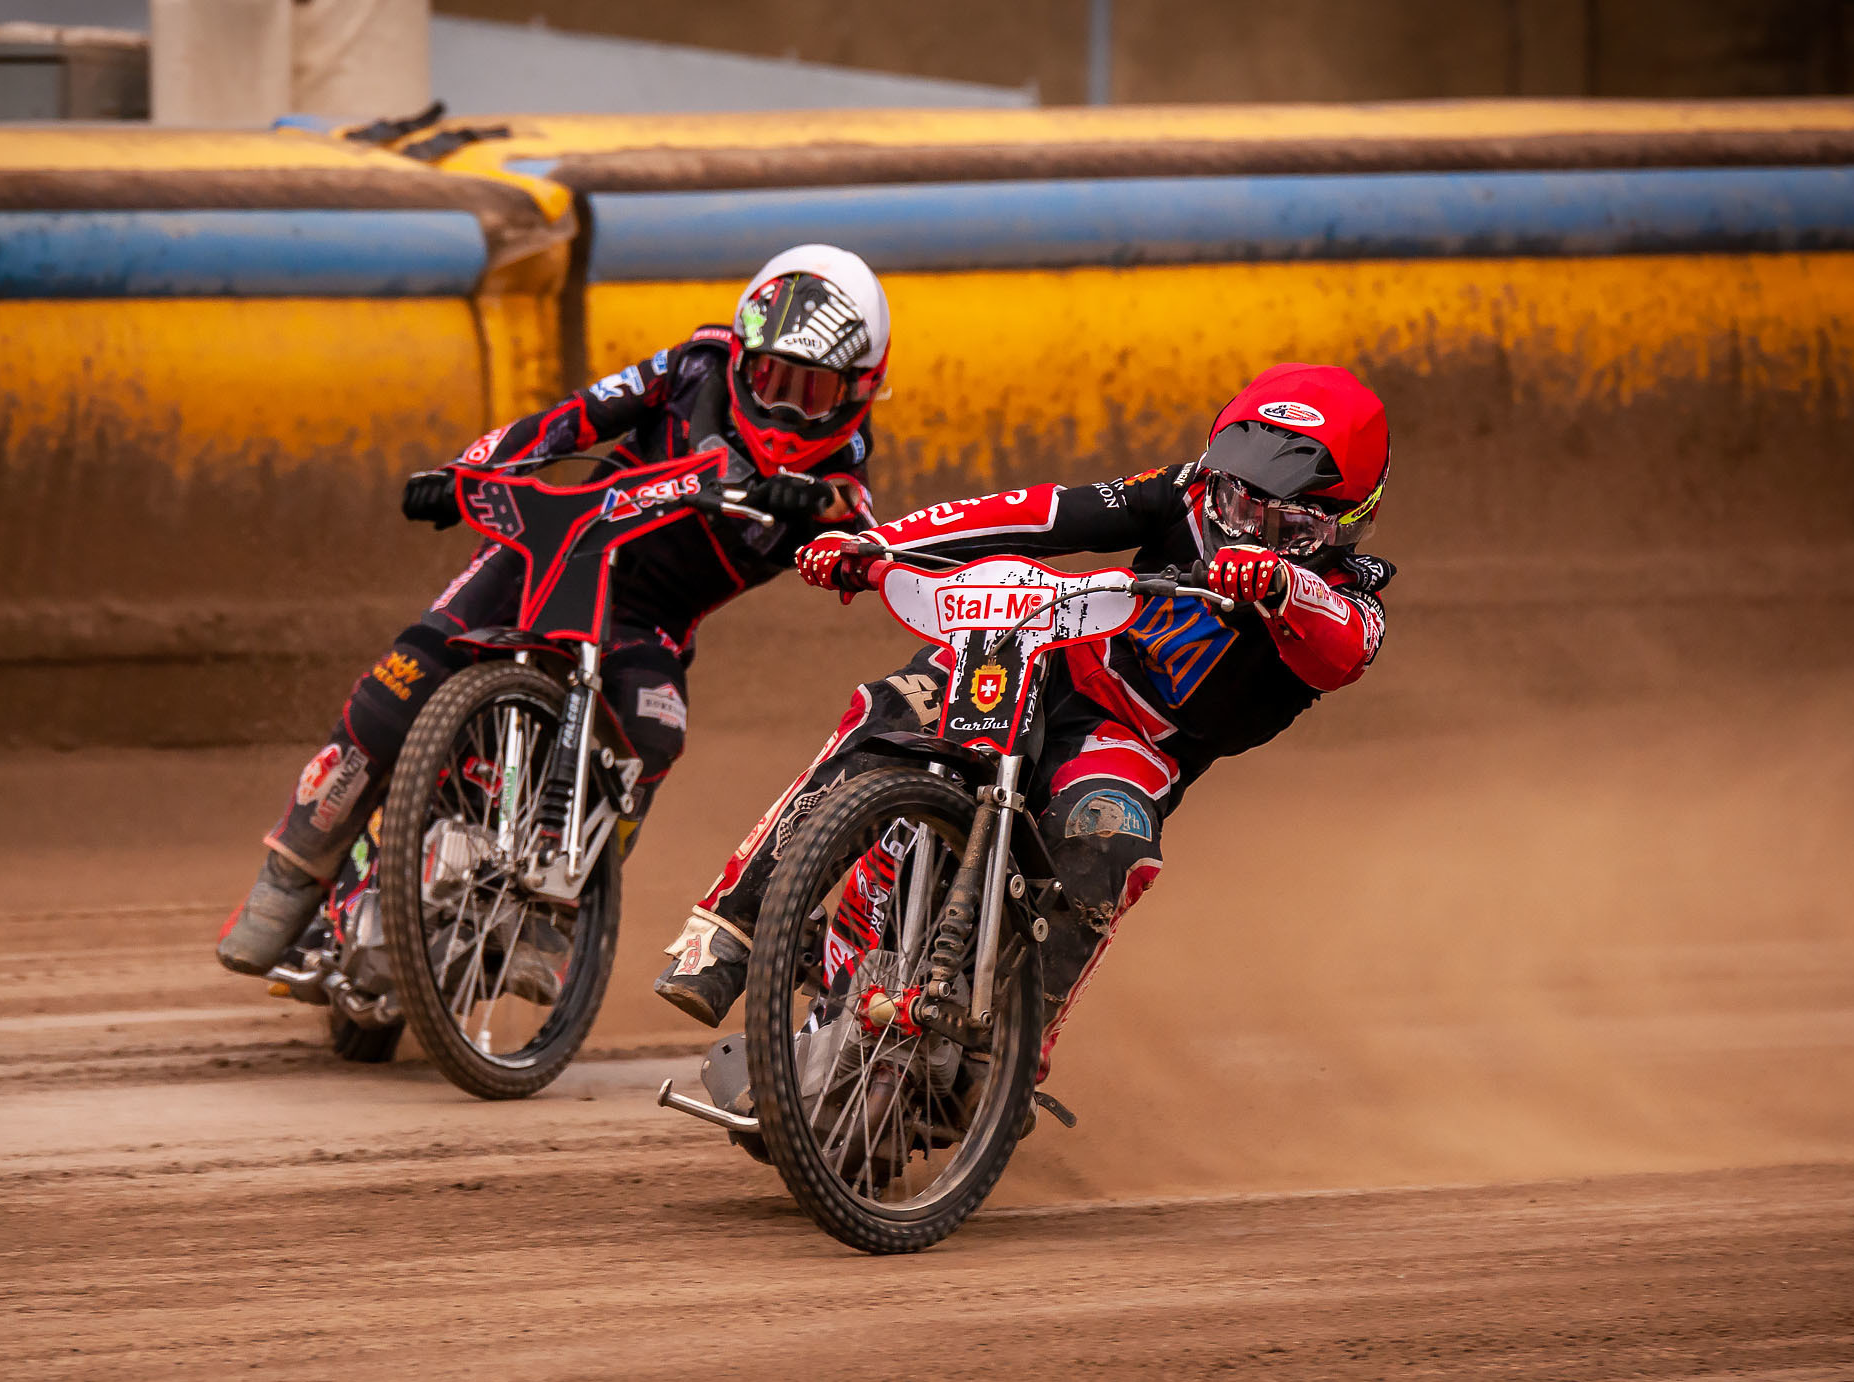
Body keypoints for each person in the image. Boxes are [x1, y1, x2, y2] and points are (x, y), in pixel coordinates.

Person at [653, 362, 1396, 1081]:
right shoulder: (1182, 491)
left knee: (1111, 835)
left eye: (1281, 517)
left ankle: (1014, 1051)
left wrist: (1280, 583)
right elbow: (1043, 512)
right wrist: (880, 546)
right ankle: (727, 932)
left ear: (1347, 520)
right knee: (896, 703)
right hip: (1037, 656)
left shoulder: (1353, 600)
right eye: (1236, 497)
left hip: (1134, 746)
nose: (1243, 524)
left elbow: (1341, 646)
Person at [217, 244, 892, 976]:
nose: (787, 405)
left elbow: (855, 520)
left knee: (656, 731)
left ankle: (559, 906)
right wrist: (464, 471)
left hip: (648, 618)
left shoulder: (841, 467)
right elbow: (572, 418)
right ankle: (293, 867)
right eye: (771, 378)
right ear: (741, 356)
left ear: (860, 390)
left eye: (814, 391)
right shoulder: (693, 364)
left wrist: (826, 520)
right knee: (399, 683)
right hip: (547, 556)